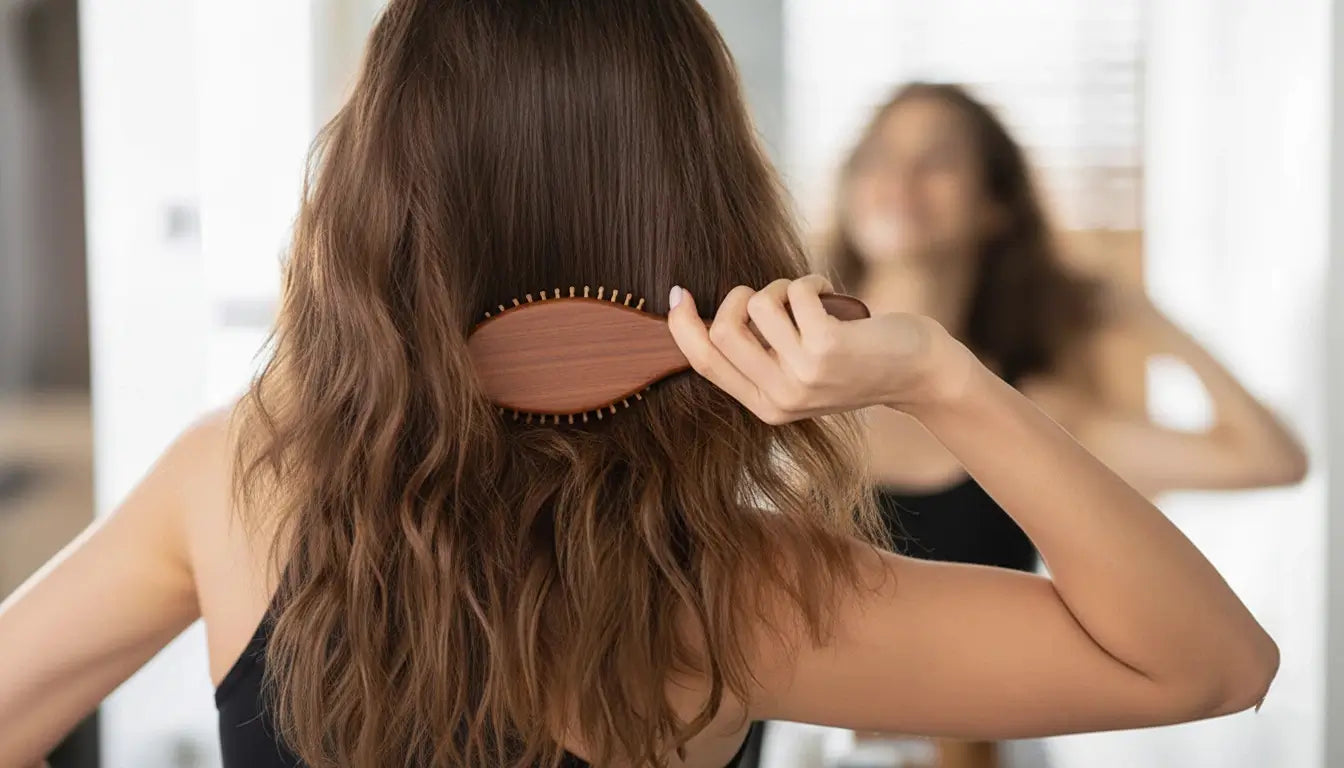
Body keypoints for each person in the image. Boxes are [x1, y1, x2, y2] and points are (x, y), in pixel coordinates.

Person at [0, 5, 1279, 768]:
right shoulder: (711, 588)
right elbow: (1209, 666)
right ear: (697, 201)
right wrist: (943, 378)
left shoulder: (233, 478)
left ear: (381, 190)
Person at [823, 82, 1307, 766]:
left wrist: (1144, 314)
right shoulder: (779, 371)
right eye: (878, 156)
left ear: (995, 207)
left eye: (937, 160)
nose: (900, 178)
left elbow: (1268, 458)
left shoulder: (1031, 408)